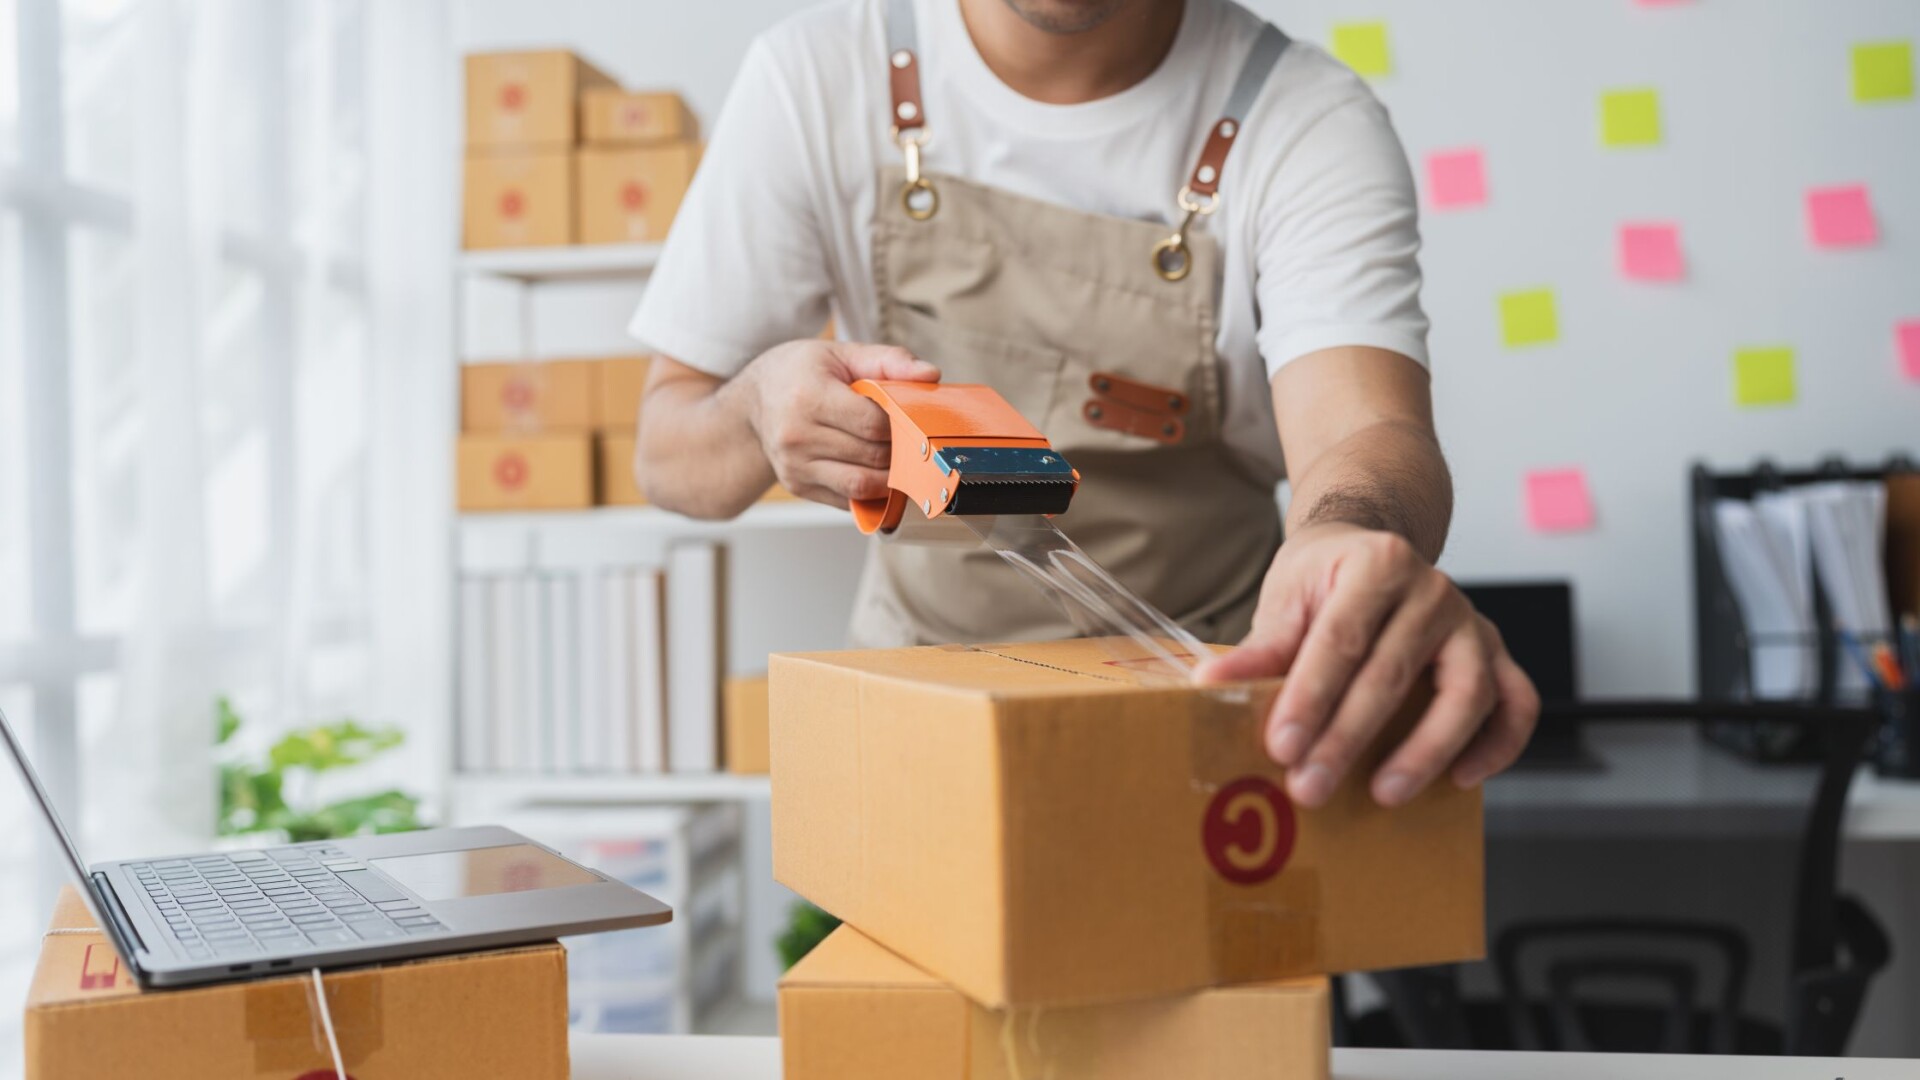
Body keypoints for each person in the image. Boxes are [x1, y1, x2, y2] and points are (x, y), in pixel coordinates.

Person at [629, 0, 1539, 810]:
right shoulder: (817, 77)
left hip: (1211, 716)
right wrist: (755, 406)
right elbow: (668, 453)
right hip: (920, 714)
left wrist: (1345, 533)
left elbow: (1368, 430)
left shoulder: (1304, 122)